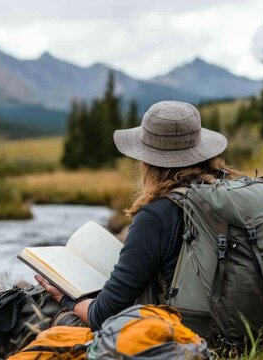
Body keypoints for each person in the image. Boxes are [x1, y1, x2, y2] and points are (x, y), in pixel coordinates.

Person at [36, 100, 239, 331]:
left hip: (189, 337)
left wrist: (65, 298)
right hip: (246, 329)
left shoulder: (155, 215)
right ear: (204, 153)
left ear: (146, 161)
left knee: (62, 321)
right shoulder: (230, 193)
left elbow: (101, 315)